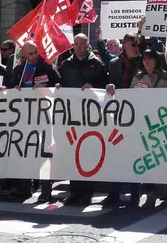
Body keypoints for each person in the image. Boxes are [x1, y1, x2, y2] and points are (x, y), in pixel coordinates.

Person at [0, 40, 60, 202]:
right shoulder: (20, 69)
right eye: (30, 54)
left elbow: (59, 87)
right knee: (24, 151)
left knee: (45, 151)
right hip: (23, 117)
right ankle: (24, 187)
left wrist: (46, 89)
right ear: (24, 54)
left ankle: (46, 189)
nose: (34, 56)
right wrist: (12, 89)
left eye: (35, 52)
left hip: (44, 115)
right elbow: (10, 86)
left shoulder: (47, 67)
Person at [57, 33, 108, 205]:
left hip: (90, 116)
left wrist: (94, 87)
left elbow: (104, 87)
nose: (79, 47)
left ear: (87, 45)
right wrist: (59, 87)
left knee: (87, 153)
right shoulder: (66, 64)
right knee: (72, 153)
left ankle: (87, 192)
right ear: (73, 45)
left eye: (82, 44)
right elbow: (62, 84)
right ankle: (74, 191)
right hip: (71, 116)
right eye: (76, 44)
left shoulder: (97, 64)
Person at [129, 49, 167, 208]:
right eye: (144, 58)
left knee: (160, 159)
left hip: (161, 125)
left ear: (157, 60)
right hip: (143, 124)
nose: (147, 61)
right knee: (147, 160)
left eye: (150, 58)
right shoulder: (138, 77)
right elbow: (131, 97)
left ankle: (164, 191)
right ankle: (150, 194)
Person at [103, 32, 143, 207]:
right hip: (120, 116)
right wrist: (109, 85)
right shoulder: (114, 64)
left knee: (135, 155)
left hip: (139, 114)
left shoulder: (144, 61)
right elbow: (110, 85)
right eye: (133, 44)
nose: (136, 48)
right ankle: (114, 193)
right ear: (125, 45)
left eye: (138, 45)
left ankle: (135, 194)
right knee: (117, 155)